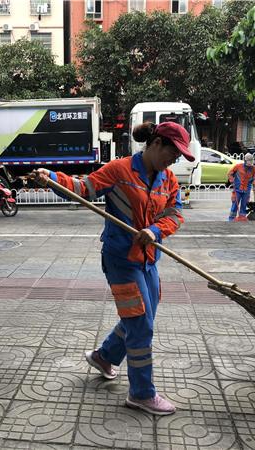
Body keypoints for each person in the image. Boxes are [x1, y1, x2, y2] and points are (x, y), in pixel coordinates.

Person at [35, 121, 191, 416]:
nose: (176, 159)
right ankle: (142, 393)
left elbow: (175, 213)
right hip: (121, 260)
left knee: (144, 315)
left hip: (148, 258)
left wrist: (156, 232)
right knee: (141, 324)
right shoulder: (120, 170)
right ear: (157, 144)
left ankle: (105, 357)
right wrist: (53, 177)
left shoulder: (167, 179)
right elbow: (85, 188)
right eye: (174, 152)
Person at [227, 153, 255, 222]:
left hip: (247, 190)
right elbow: (230, 173)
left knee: (244, 204)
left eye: (251, 162)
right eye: (248, 162)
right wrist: (232, 180)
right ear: (245, 160)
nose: (249, 164)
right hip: (237, 189)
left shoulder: (253, 169)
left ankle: (242, 217)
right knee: (235, 204)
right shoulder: (238, 166)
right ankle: (231, 218)